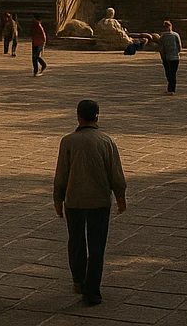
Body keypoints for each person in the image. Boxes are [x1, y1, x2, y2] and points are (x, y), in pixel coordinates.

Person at [52, 99, 127, 307]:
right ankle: (92, 291)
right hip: (99, 201)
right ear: (97, 116)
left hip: (74, 200)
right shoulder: (106, 141)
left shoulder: (68, 141)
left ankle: (78, 279)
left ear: (78, 116)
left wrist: (58, 199)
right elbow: (116, 174)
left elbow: (61, 174)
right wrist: (121, 197)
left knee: (76, 241)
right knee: (96, 246)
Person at [157, 21, 181, 93]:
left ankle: (170, 88)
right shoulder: (176, 35)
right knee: (173, 73)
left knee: (168, 73)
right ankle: (171, 88)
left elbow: (161, 46)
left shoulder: (163, 36)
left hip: (166, 57)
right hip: (175, 57)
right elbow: (179, 46)